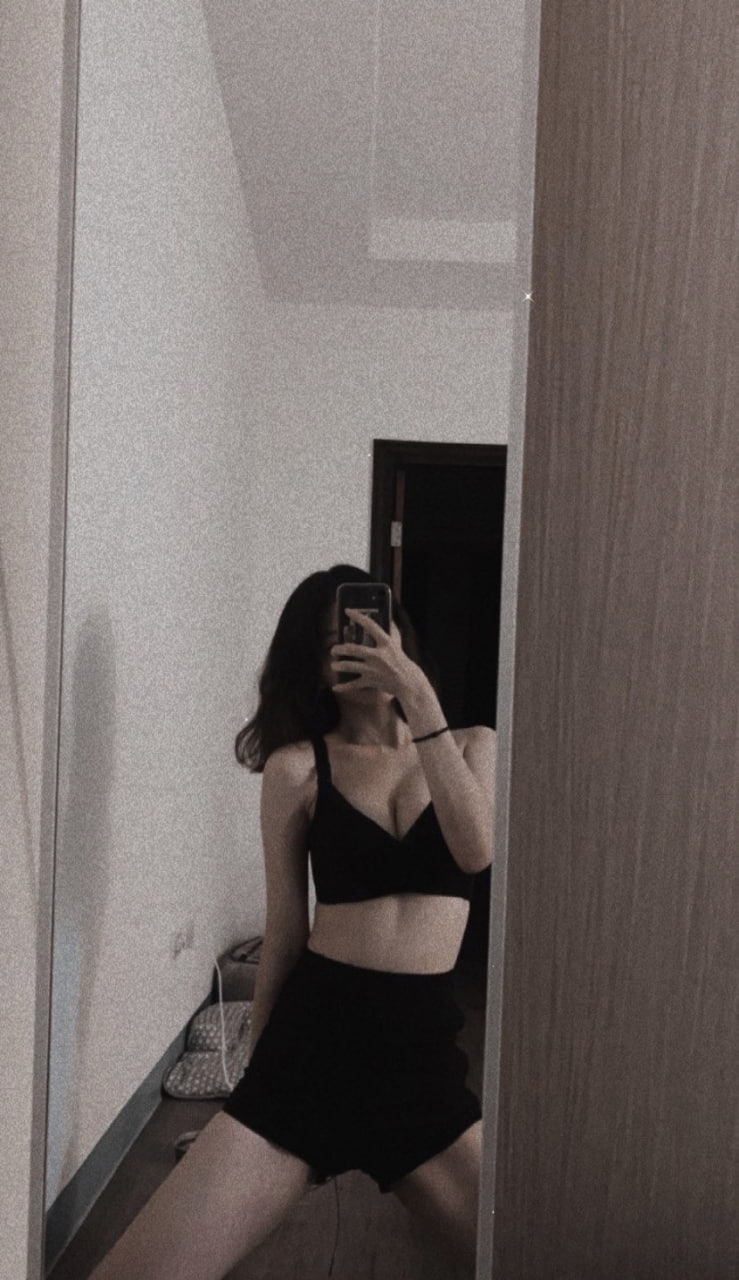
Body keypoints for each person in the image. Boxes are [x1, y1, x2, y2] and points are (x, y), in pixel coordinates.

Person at [91, 564, 495, 1279]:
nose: (359, 646)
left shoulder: (470, 747)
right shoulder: (298, 768)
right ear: (310, 665)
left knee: (533, 1256)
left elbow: (474, 850)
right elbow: (285, 931)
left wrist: (417, 695)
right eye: (336, 639)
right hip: (313, 1053)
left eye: (372, 627)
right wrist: (250, 1081)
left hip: (423, 1068)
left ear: (400, 634)